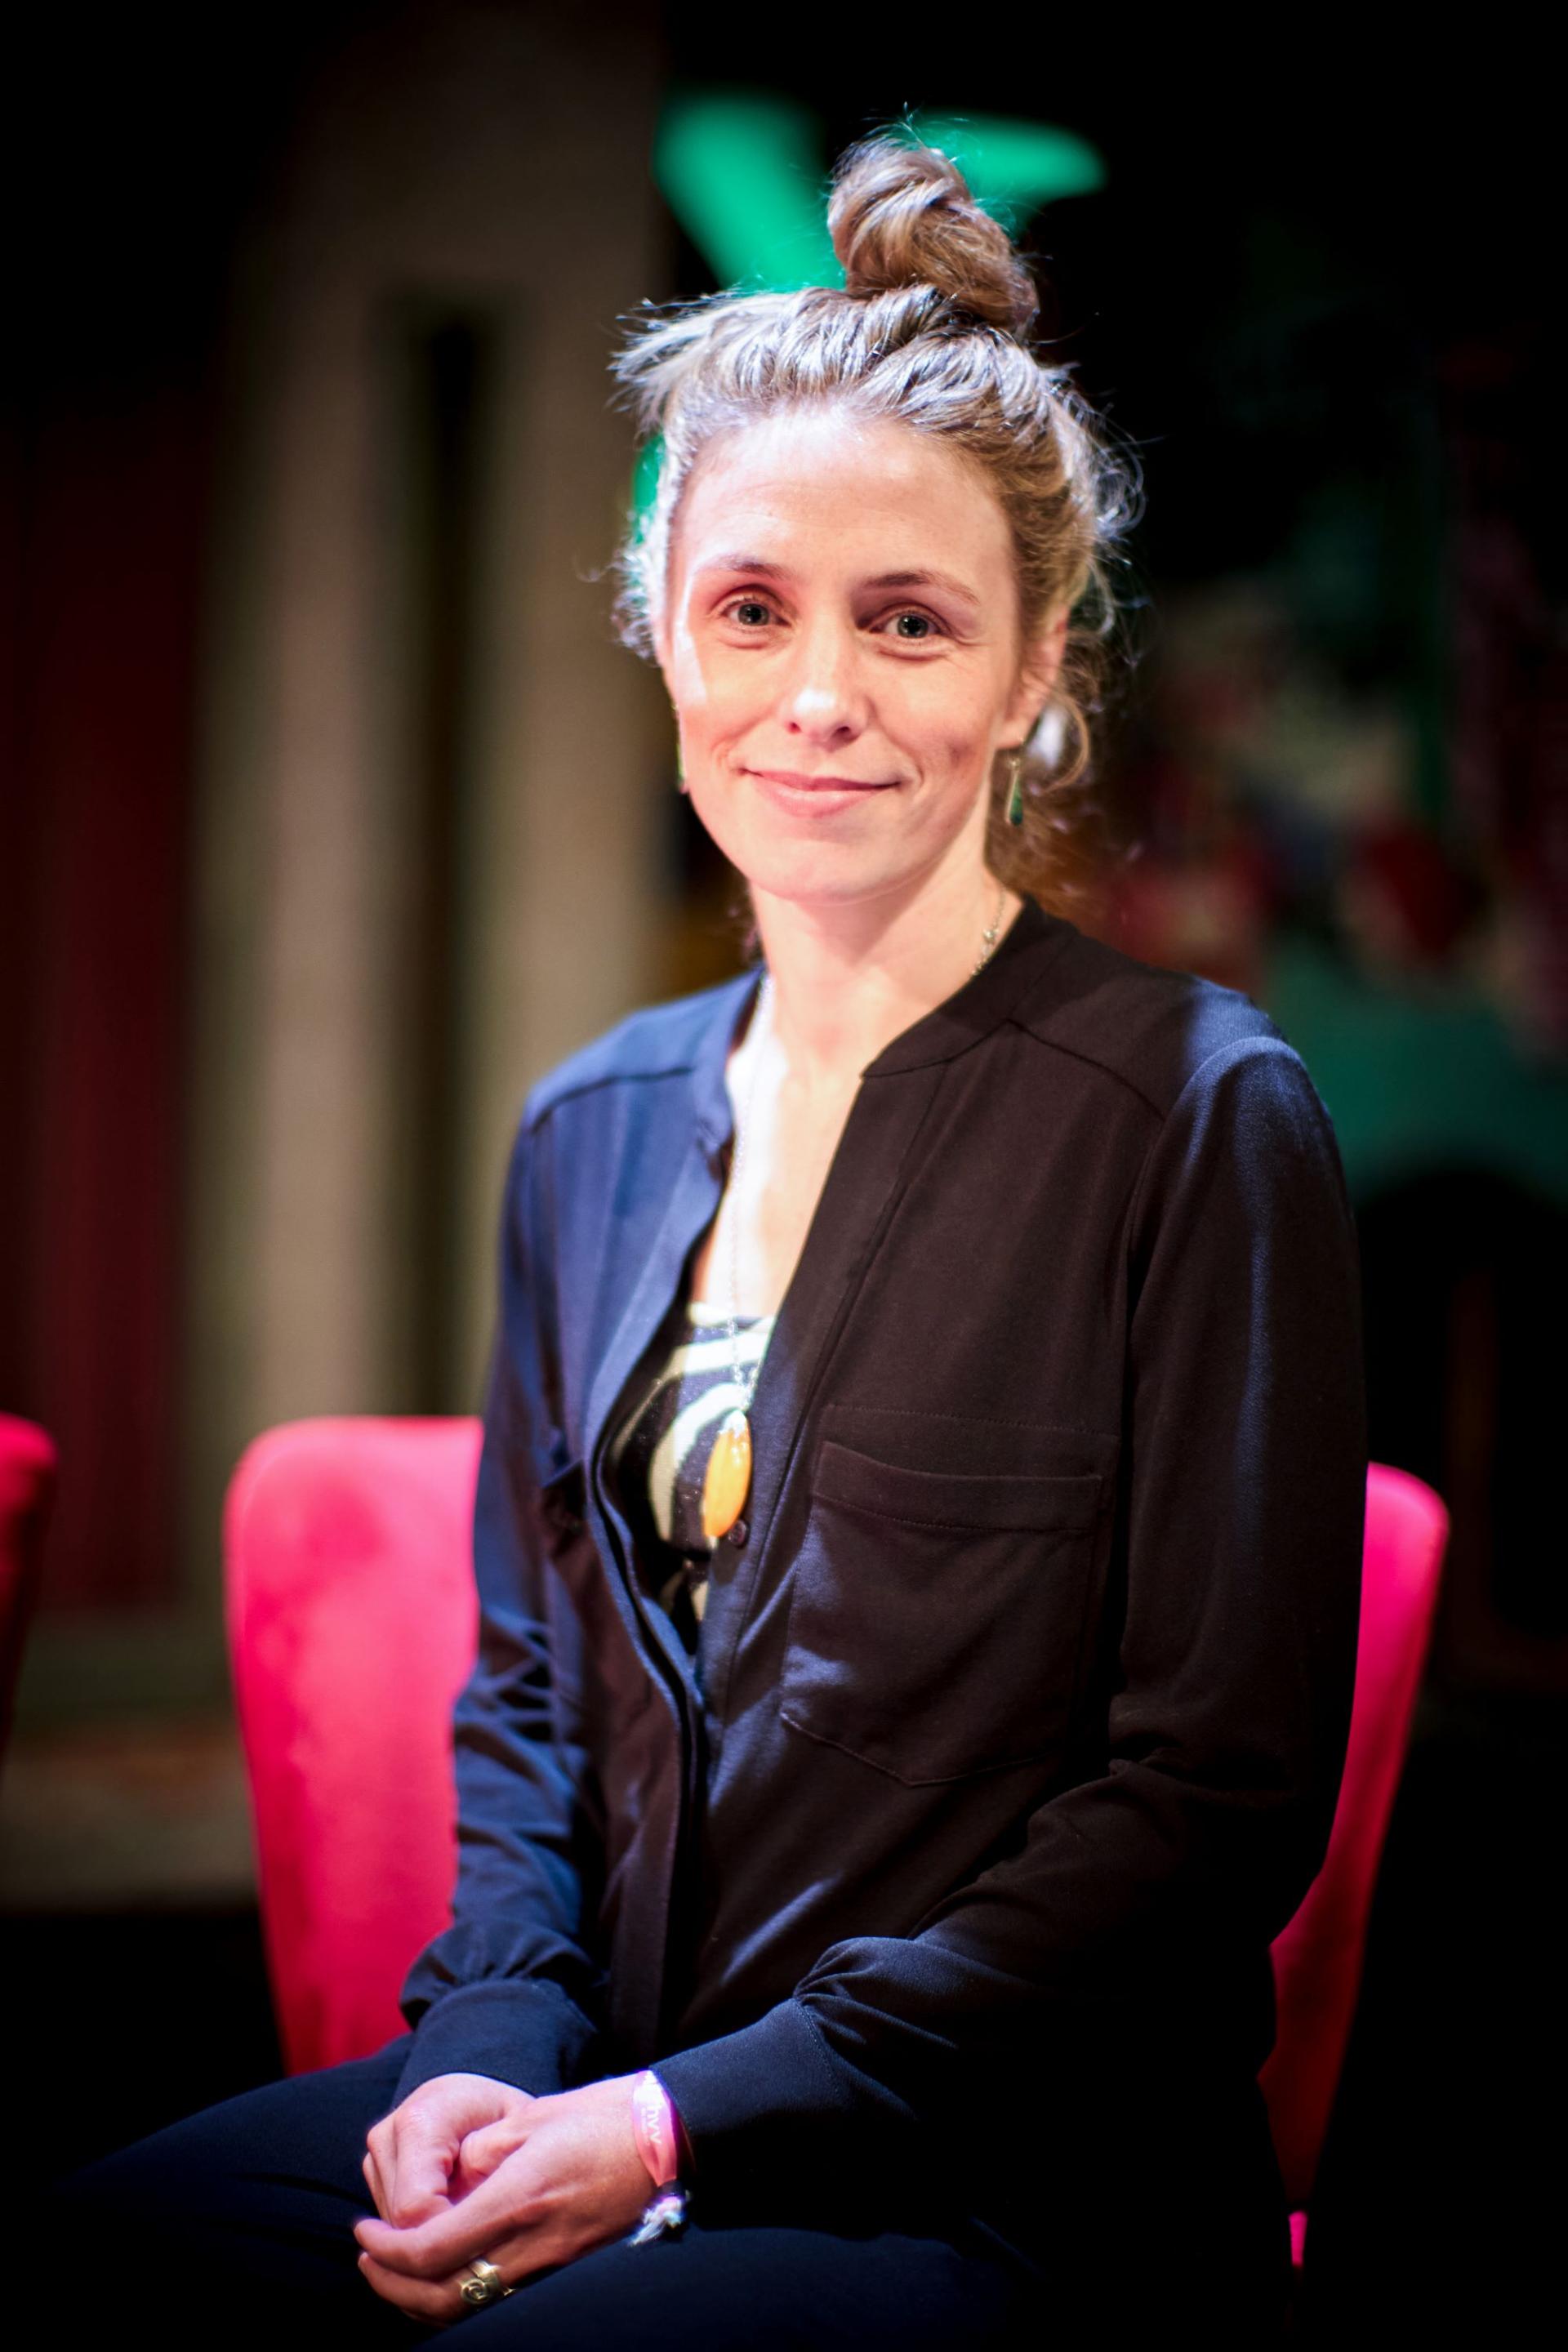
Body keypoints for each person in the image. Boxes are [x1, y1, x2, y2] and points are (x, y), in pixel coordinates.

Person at [55, 136, 1365, 2346]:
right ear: (661, 625)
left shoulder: (1199, 1117)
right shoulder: (587, 1129)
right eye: (753, 608)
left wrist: (681, 2129)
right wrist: (488, 2047)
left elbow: (1209, 1810)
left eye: (910, 620)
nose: (817, 693)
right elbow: (530, 1693)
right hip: (601, 2089)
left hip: (1017, 2176)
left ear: (1035, 666)